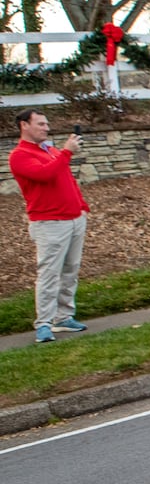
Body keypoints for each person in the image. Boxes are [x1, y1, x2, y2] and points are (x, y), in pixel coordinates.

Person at [9, 109, 89, 344]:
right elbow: (44, 175)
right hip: (50, 222)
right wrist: (66, 152)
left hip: (74, 218)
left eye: (47, 124)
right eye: (41, 124)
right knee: (49, 273)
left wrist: (82, 206)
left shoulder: (49, 150)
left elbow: (65, 179)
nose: (46, 128)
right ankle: (44, 323)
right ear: (25, 125)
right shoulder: (20, 155)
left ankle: (64, 317)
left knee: (70, 270)